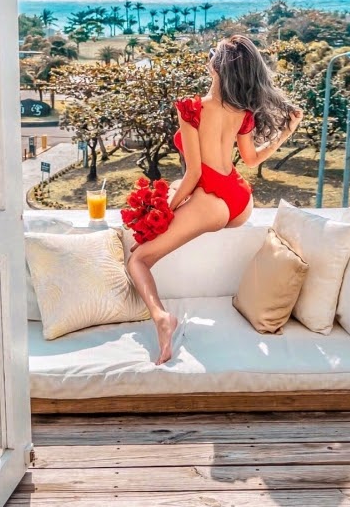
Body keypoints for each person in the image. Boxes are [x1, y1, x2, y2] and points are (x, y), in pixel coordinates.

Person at [127, 34, 303, 365]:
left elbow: (194, 173)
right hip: (240, 200)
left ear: (216, 67)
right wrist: (286, 132)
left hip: (212, 202)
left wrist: (160, 219)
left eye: (212, 53)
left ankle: (162, 319)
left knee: (137, 260)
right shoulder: (242, 111)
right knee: (177, 188)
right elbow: (250, 160)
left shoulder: (191, 108)